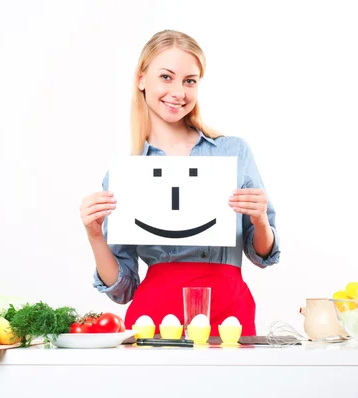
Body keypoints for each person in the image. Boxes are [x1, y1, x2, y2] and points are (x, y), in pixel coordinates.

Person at [80, 30, 280, 337]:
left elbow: (262, 255)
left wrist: (260, 220)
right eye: (166, 77)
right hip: (155, 317)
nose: (179, 91)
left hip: (229, 314)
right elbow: (123, 288)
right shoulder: (127, 174)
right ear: (141, 79)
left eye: (190, 80)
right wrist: (94, 235)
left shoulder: (233, 152)